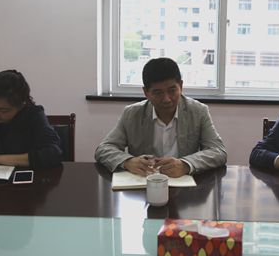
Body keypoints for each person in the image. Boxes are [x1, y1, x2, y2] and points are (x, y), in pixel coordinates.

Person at [95, 57, 227, 178]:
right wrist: (128, 161)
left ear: (181, 86)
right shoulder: (132, 114)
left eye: (172, 90)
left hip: (183, 184)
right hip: (144, 184)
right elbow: (104, 149)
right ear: (146, 92)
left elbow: (218, 151)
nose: (167, 99)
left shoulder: (198, 111)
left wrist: (185, 164)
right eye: (158, 93)